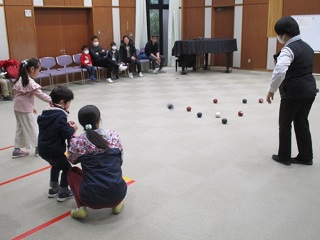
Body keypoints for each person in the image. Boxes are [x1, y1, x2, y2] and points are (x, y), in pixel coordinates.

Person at [266, 16, 317, 166]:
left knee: (285, 123)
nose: (278, 37)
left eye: (279, 34)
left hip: (294, 92)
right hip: (309, 91)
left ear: (284, 33)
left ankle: (284, 157)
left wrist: (271, 90)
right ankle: (306, 156)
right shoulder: (307, 47)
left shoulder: (288, 49)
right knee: (302, 122)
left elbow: (280, 71)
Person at [67, 105, 127, 219]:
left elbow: (71, 159)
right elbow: (120, 160)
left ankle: (81, 208)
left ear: (80, 123)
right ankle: (117, 204)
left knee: (72, 172)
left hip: (91, 199)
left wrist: (73, 135)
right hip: (119, 193)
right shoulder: (113, 135)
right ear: (99, 120)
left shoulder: (77, 141)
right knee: (113, 172)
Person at [37, 85, 77, 202]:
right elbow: (65, 134)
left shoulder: (46, 113)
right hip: (54, 150)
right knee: (67, 169)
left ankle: (53, 189)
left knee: (56, 166)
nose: (70, 104)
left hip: (43, 149)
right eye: (69, 102)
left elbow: (54, 128)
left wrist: (65, 125)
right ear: (62, 102)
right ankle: (63, 192)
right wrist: (73, 128)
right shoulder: (60, 116)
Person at [12, 58, 52, 158]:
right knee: (33, 128)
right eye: (38, 70)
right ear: (32, 69)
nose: (38, 72)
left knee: (20, 128)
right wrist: (54, 101)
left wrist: (31, 106)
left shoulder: (21, 78)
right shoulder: (29, 82)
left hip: (18, 108)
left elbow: (21, 96)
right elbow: (41, 95)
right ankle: (39, 148)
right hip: (24, 109)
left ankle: (17, 150)